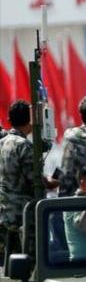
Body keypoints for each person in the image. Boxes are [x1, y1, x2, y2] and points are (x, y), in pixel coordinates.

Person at [0, 100, 59, 263]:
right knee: (29, 261)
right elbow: (34, 181)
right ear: (30, 120)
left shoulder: (3, 142)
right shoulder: (24, 146)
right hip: (22, 215)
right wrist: (49, 182)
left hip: (4, 211)